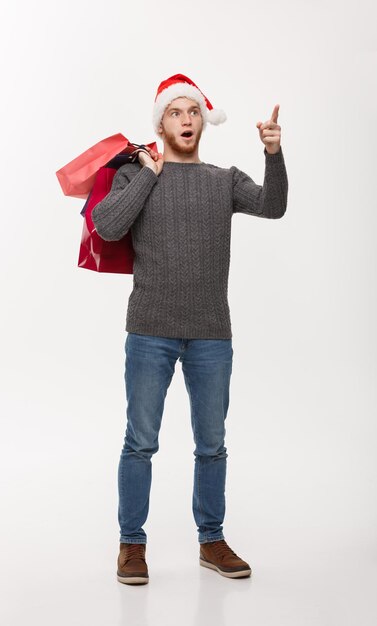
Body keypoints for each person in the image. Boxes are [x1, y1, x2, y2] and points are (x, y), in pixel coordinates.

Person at [91, 73, 288, 585]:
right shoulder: (137, 176)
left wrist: (273, 154)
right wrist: (150, 173)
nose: (186, 119)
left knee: (212, 444)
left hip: (210, 333)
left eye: (193, 112)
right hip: (150, 329)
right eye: (176, 112)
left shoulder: (223, 179)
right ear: (161, 122)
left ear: (204, 121)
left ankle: (212, 540)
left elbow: (273, 205)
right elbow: (109, 226)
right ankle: (131, 545)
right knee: (140, 441)